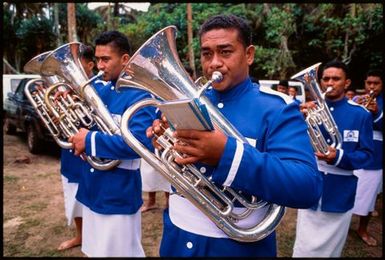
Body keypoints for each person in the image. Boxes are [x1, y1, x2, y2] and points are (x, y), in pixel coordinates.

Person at [147, 14, 322, 257]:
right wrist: (165, 143)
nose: (214, 63)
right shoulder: (189, 103)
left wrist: (226, 154)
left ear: (249, 54)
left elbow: (307, 186)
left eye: (225, 52)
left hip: (237, 248)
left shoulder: (277, 108)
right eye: (207, 54)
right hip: (177, 238)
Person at [69, 31, 156, 257]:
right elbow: (86, 124)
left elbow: (138, 144)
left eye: (105, 59)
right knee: (94, 251)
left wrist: (89, 140)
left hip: (118, 193)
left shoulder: (140, 95)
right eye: (97, 59)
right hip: (91, 187)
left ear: (125, 60)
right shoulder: (100, 88)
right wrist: (68, 105)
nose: (99, 66)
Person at [293, 60, 374, 257]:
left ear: (346, 83)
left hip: (340, 187)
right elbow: (296, 144)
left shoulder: (360, 115)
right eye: (326, 78)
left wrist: (338, 156)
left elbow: (366, 155)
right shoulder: (310, 110)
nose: (330, 83)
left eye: (336, 79)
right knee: (303, 244)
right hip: (312, 182)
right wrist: (298, 119)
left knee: (331, 249)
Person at [57, 45, 95, 251]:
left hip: (93, 153)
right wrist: (59, 115)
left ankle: (91, 239)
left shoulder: (101, 89)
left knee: (91, 197)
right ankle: (80, 236)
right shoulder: (67, 91)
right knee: (73, 198)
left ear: (90, 65)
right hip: (71, 152)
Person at [351, 69, 383, 247]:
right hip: (354, 152)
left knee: (368, 196)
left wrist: (377, 113)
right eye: (368, 83)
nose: (371, 87)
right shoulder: (356, 100)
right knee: (349, 189)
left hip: (375, 157)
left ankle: (362, 228)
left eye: (376, 83)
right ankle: (343, 222)